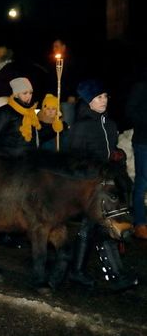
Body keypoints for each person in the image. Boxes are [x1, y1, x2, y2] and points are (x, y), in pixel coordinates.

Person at [67, 79, 138, 291]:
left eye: (105, 96)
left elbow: (110, 149)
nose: (103, 100)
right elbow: (74, 159)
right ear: (88, 101)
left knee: (95, 229)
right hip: (89, 186)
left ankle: (79, 271)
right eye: (98, 97)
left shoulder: (110, 123)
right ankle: (112, 275)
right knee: (98, 228)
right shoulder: (81, 127)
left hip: (106, 185)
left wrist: (117, 155)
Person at [0, 77, 40, 157]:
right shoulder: (5, 111)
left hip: (30, 160)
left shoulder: (31, 112)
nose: (28, 96)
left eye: (30, 93)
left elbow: (36, 137)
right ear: (16, 94)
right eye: (25, 93)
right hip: (12, 161)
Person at [125, 68, 147, 239]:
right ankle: (139, 223)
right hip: (143, 141)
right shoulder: (141, 86)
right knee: (143, 180)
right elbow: (131, 111)